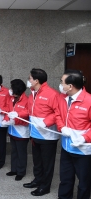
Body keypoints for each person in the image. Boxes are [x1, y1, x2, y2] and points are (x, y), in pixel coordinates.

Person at [23, 68, 59, 196]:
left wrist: (46, 122)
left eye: (30, 78)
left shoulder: (52, 94)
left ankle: (45, 186)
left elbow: (58, 113)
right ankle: (37, 180)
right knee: (37, 161)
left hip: (47, 136)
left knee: (47, 163)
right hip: (34, 134)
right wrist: (16, 113)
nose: (28, 80)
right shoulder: (32, 93)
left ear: (36, 80)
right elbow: (28, 111)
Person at [55, 69, 91, 199]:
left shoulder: (89, 101)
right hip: (66, 147)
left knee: (84, 182)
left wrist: (84, 138)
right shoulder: (63, 98)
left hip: (83, 151)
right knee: (65, 178)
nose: (60, 85)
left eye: (62, 82)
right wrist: (62, 127)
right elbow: (57, 114)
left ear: (70, 86)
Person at [2, 79, 29, 181]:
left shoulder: (26, 100)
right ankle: (14, 169)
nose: (10, 90)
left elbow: (26, 117)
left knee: (21, 153)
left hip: (22, 132)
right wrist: (6, 120)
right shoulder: (11, 99)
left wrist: (15, 121)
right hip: (12, 130)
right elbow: (8, 112)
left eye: (12, 88)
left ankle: (21, 172)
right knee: (14, 151)